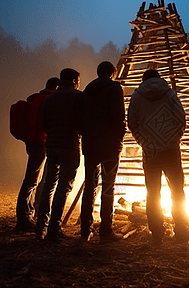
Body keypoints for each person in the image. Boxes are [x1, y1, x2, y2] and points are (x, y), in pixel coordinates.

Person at [128, 69, 189, 244]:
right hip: (171, 150)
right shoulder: (169, 94)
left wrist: (143, 141)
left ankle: (156, 233)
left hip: (150, 151)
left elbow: (132, 123)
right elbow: (181, 117)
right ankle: (181, 231)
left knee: (153, 193)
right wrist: (174, 138)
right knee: (177, 191)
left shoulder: (137, 97)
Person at [78, 61, 126, 241]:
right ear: (113, 73)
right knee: (108, 186)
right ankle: (106, 230)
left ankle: (85, 229)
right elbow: (118, 116)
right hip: (110, 146)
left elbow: (79, 118)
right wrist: (118, 139)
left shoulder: (87, 91)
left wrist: (87, 134)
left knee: (90, 185)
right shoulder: (114, 89)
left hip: (90, 145)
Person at [36, 68, 82, 242]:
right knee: (63, 186)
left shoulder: (51, 98)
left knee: (49, 184)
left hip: (52, 145)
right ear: (74, 80)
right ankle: (54, 228)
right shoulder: (78, 97)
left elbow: (43, 122)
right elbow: (82, 120)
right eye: (78, 79)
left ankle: (41, 226)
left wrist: (53, 134)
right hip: (69, 145)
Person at [15, 77, 60, 232]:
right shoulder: (48, 100)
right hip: (41, 142)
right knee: (33, 179)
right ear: (56, 87)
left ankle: (30, 213)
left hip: (33, 141)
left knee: (37, 179)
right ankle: (24, 217)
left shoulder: (35, 99)